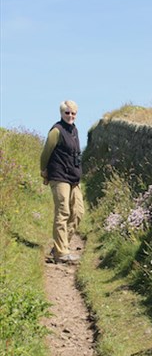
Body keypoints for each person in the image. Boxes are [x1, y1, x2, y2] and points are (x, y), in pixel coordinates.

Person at [40, 100, 84, 263]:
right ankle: (61, 253)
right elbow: (46, 152)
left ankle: (60, 246)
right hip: (58, 176)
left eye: (73, 113)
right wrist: (43, 170)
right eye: (67, 112)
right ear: (61, 113)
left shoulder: (74, 130)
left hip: (74, 177)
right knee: (63, 211)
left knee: (78, 212)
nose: (70, 115)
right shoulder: (56, 131)